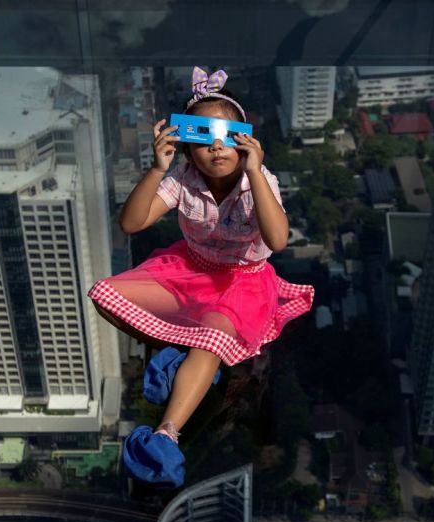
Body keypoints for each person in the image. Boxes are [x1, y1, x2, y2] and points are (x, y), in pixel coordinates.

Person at [88, 66, 314, 487]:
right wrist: (157, 168)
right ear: (188, 148)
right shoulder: (183, 178)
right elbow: (132, 224)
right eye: (202, 139)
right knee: (105, 294)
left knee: (209, 338)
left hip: (241, 284)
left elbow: (278, 240)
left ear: (245, 141)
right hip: (189, 273)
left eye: (227, 136)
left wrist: (255, 173)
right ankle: (183, 355)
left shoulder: (260, 181)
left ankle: (166, 435)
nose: (215, 147)